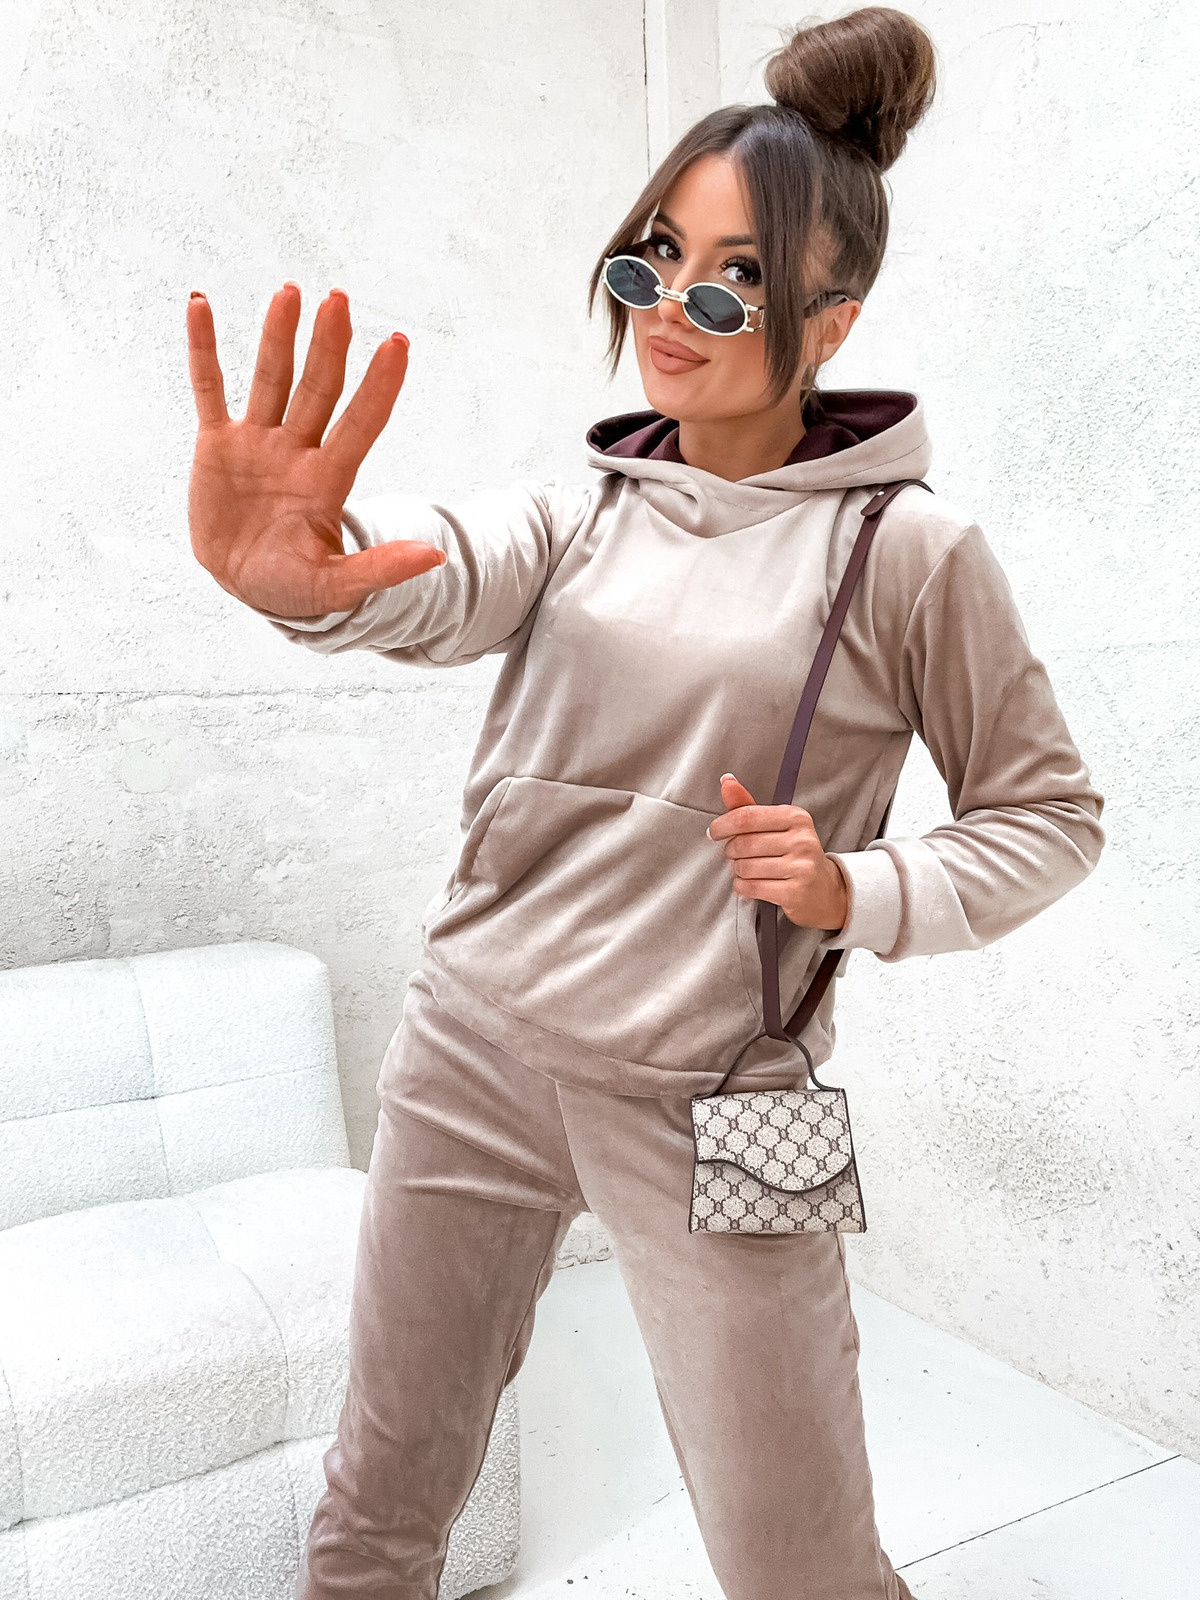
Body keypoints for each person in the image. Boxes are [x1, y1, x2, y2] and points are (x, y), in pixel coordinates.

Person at [185, 8, 1105, 1598]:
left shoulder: (911, 553)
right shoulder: (581, 509)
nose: (671, 310)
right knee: (377, 1509)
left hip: (727, 1087)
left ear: (832, 319)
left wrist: (858, 889)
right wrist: (307, 579)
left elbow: (1051, 816)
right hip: (470, 1046)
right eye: (652, 259)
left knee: (799, 1557)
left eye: (731, 280)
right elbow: (436, 574)